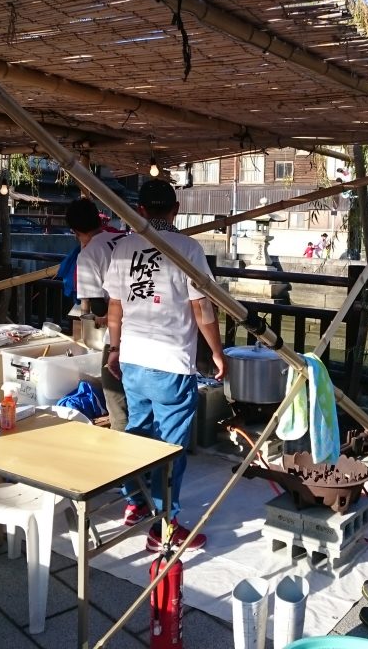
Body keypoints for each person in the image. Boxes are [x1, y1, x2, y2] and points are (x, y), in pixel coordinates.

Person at [103, 179, 226, 551]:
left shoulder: (122, 248)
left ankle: (135, 505)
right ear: (176, 209)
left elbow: (114, 307)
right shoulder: (187, 248)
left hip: (133, 359)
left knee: (137, 434)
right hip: (170, 362)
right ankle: (164, 528)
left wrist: (114, 349)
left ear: (140, 210)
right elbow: (202, 308)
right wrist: (217, 352)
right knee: (170, 447)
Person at [66, 197, 129, 431]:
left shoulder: (89, 253)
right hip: (147, 328)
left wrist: (100, 315)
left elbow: (99, 307)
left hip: (119, 334)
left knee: (116, 399)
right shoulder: (125, 239)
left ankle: (123, 444)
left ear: (75, 230)